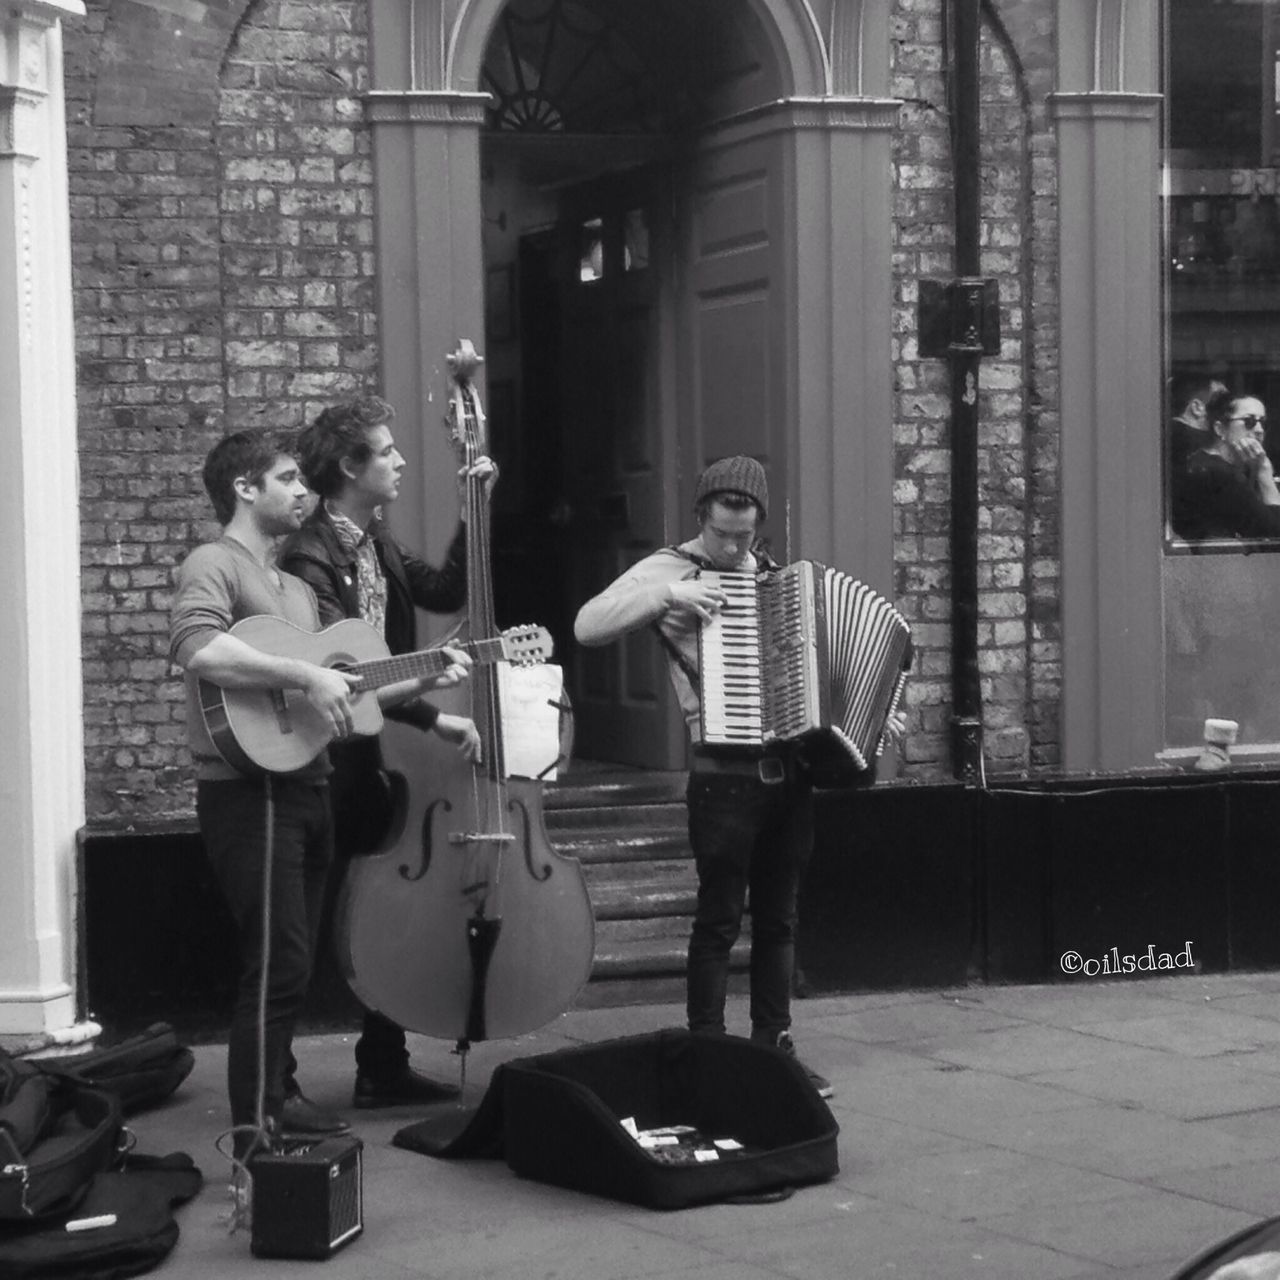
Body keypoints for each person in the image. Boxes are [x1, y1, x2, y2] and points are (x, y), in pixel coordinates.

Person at [168, 430, 469, 1152]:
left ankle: (275, 1102)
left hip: (308, 783)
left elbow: (346, 688)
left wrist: (426, 680)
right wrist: (304, 676)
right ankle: (251, 1134)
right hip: (250, 792)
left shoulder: (297, 591)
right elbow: (196, 646)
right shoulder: (215, 563)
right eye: (287, 479)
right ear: (245, 489)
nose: (304, 491)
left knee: (294, 961)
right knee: (275, 959)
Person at [574, 455, 834, 1097]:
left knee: (780, 918)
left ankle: (774, 1045)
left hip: (787, 776)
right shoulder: (669, 568)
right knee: (718, 918)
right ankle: (706, 1050)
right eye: (720, 533)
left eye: (744, 536)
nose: (732, 546)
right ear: (700, 519)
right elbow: (587, 626)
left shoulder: (777, 582)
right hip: (721, 776)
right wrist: (668, 594)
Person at [279, 395, 493, 1109]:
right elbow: (345, 677)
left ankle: (384, 1066)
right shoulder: (309, 558)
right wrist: (430, 684)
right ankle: (274, 1086)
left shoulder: (377, 542)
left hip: (367, 760)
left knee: (381, 910)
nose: (401, 461)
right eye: (388, 450)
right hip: (318, 762)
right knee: (303, 927)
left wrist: (473, 508)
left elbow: (443, 590)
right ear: (350, 465)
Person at [1171, 390, 1280, 540]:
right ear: (1220, 428)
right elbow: (1273, 532)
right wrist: (1264, 473)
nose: (1259, 430)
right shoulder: (1217, 474)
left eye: (1263, 422)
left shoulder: (1220, 467)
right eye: (1250, 422)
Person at [1167, 373, 1227, 480]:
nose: (1227, 408)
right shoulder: (1206, 443)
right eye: (1219, 401)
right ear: (1197, 408)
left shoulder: (1161, 434)